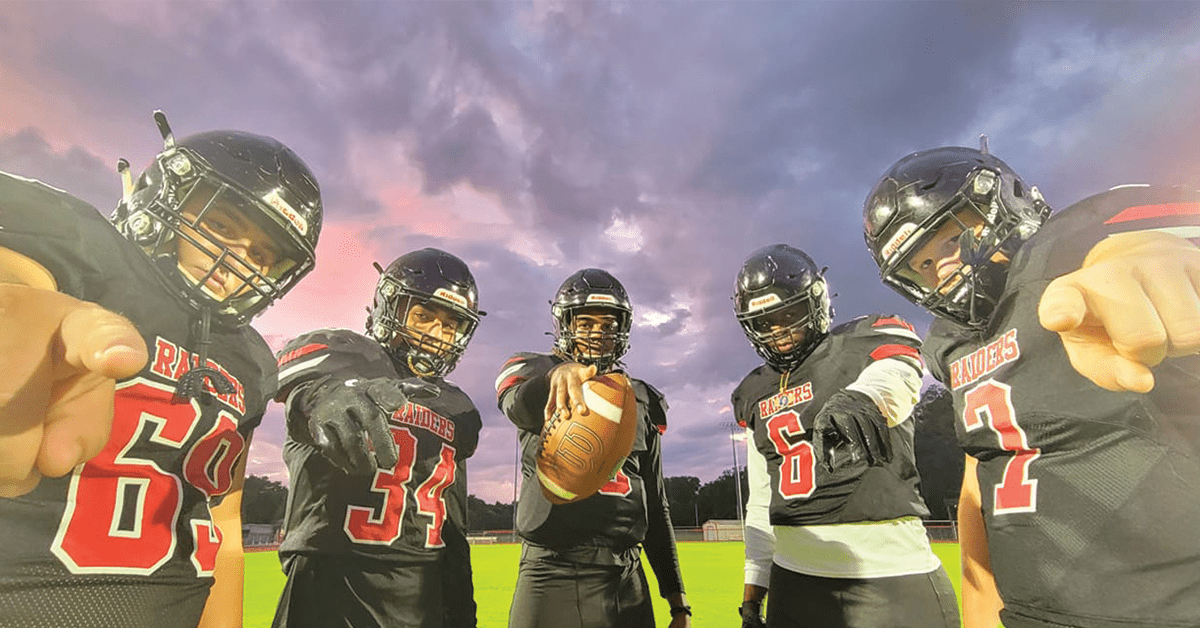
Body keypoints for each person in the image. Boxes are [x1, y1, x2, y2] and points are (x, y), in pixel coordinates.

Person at [0, 110, 323, 628]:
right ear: (163, 196)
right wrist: (19, 301)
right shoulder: (91, 260)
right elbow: (20, 276)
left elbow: (224, 524)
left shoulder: (251, 362)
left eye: (263, 255)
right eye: (220, 226)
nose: (240, 261)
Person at [862, 142, 1200, 628]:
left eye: (952, 239)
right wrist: (980, 611)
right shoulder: (950, 344)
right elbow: (980, 480)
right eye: (923, 265)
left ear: (1007, 200)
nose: (945, 268)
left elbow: (1147, 244)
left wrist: (1149, 253)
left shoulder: (1074, 245)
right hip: (1031, 613)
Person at [731, 244, 960, 628]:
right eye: (766, 322)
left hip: (887, 574)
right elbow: (761, 499)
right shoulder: (753, 391)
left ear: (816, 303)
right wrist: (754, 591)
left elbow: (900, 372)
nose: (780, 331)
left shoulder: (860, 341)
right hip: (793, 579)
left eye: (790, 314)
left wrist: (865, 397)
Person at [271, 247, 484, 628]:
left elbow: (453, 525)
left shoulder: (456, 405)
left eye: (451, 324)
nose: (437, 334)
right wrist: (324, 396)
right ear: (391, 307)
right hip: (332, 582)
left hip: (423, 592)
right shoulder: (350, 357)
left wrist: (460, 609)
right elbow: (290, 375)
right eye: (423, 316)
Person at [494, 268, 691, 628]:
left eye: (608, 326)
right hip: (552, 569)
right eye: (585, 323)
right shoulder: (538, 370)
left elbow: (656, 504)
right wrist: (555, 377)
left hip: (626, 577)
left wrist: (677, 598)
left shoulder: (640, 397)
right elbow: (514, 403)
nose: (598, 335)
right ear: (564, 324)